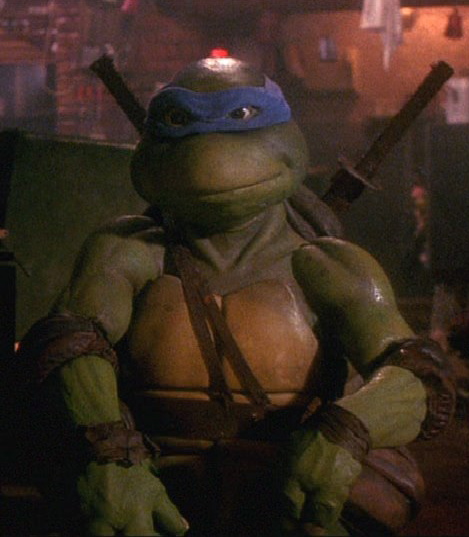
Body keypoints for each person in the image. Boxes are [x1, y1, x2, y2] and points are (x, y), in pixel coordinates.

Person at [15, 57, 455, 536]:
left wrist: (344, 431)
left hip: (289, 492)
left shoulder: (328, 266)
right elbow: (70, 341)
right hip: (153, 492)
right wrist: (108, 454)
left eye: (239, 116)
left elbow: (415, 372)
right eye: (181, 120)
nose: (211, 149)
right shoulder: (128, 251)